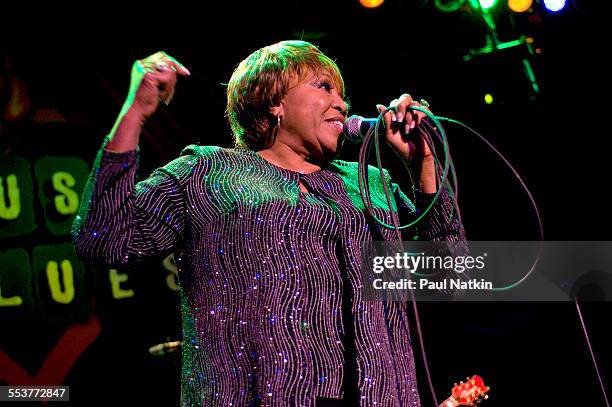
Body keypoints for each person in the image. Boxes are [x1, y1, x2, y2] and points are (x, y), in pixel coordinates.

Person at [72, 40, 464, 406]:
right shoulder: (209, 173)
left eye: (341, 94)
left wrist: (424, 164)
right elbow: (105, 237)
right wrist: (135, 111)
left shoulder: (370, 183)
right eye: (324, 87)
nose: (341, 103)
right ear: (275, 100)